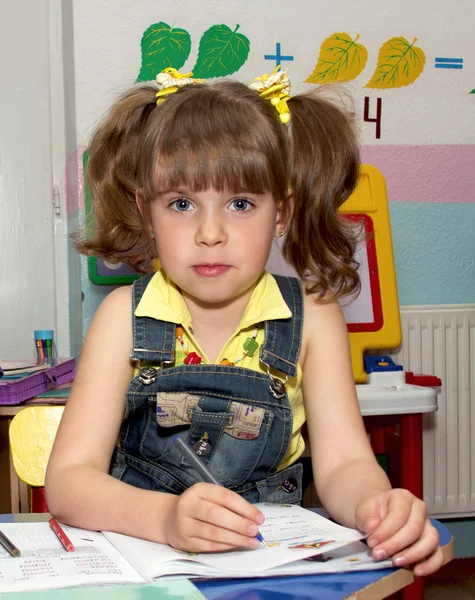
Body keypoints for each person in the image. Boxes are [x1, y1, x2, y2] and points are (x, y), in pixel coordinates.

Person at [46, 67, 442, 576]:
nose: (210, 232)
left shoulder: (314, 320)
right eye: (182, 203)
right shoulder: (122, 317)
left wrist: (377, 505)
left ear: (281, 212)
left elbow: (345, 464)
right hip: (150, 568)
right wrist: (165, 517)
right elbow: (70, 481)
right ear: (146, 211)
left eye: (240, 203)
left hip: (272, 570)